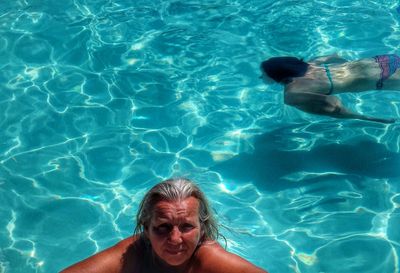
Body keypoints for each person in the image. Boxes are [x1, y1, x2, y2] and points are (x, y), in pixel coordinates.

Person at [59, 178, 268, 273]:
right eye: (162, 227)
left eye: (186, 227)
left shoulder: (209, 261)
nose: (175, 239)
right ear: (146, 230)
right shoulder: (134, 254)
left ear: (202, 229)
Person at [260, 54, 400, 123]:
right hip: (380, 61)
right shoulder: (312, 63)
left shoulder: (292, 94)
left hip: (377, 79)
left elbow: (335, 107)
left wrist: (368, 118)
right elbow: (334, 56)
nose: (261, 77)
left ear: (277, 75)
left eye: (264, 74)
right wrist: (347, 71)